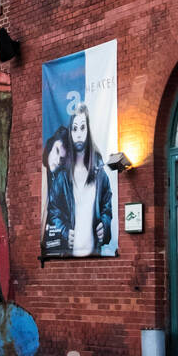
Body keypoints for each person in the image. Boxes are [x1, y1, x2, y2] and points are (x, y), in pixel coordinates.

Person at [64, 103, 113, 257]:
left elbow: (107, 208)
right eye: (75, 128)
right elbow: (54, 211)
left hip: (95, 253)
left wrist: (104, 226)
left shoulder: (100, 173)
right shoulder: (63, 175)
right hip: (67, 256)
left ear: (88, 130)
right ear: (70, 132)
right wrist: (64, 232)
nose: (78, 133)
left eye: (83, 127)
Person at [41, 126, 71, 256]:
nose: (58, 160)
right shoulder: (41, 174)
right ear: (49, 148)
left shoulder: (62, 180)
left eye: (63, 158)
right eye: (56, 151)